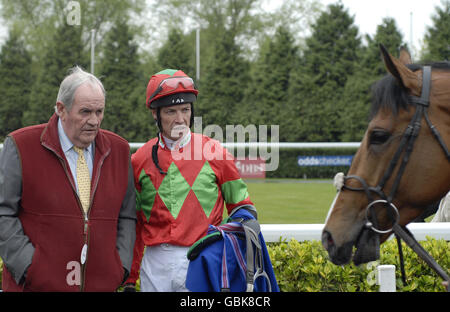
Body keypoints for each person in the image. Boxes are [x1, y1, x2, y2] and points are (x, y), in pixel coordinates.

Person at [0, 66, 136, 291]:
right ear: (61, 109)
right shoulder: (21, 146)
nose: (94, 121)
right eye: (85, 112)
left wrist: (119, 267)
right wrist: (29, 268)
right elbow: (4, 213)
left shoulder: (120, 150)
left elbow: (127, 216)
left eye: (99, 111)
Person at [123, 69, 257, 292]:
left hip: (202, 259)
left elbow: (243, 207)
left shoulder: (216, 153)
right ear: (155, 114)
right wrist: (130, 278)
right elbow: (134, 224)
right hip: (156, 265)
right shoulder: (139, 160)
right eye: (170, 111)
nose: (180, 119)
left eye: (185, 110)